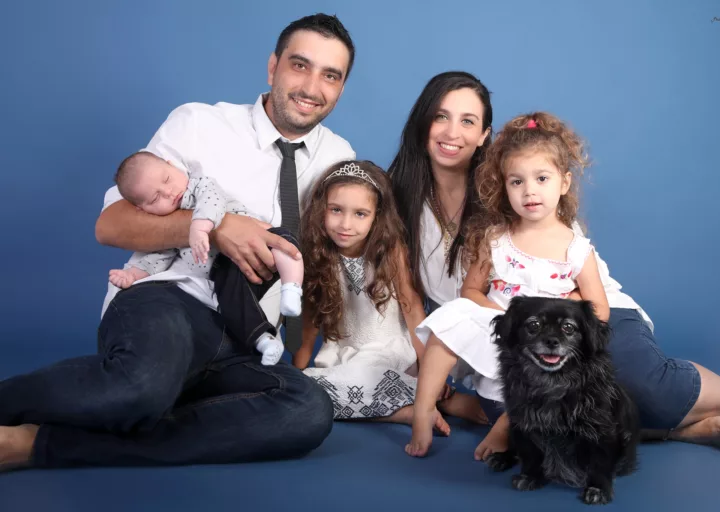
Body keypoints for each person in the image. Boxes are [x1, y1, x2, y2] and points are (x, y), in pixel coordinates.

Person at [0, 12, 356, 470]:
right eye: (300, 65)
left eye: (330, 75)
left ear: (341, 87)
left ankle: (36, 444)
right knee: (141, 387)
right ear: (273, 66)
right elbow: (110, 224)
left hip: (247, 335)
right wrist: (217, 226)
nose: (311, 86)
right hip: (168, 301)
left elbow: (341, 256)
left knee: (306, 411)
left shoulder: (339, 157)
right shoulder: (200, 123)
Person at [405, 111, 720, 458]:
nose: (529, 191)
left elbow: (599, 308)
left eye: (541, 179)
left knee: (568, 395)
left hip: (554, 338)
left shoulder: (574, 247)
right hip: (512, 331)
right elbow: (470, 291)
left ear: (563, 183)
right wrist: (500, 315)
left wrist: (566, 320)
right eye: (517, 182)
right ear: (505, 186)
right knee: (458, 321)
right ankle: (425, 412)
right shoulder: (495, 240)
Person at [292, 160, 451, 432]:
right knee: (305, 390)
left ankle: (416, 401)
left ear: (377, 216)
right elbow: (309, 323)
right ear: (321, 209)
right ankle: (409, 406)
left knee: (367, 376)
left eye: (360, 214)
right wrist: (296, 374)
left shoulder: (389, 251)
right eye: (336, 210)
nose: (345, 224)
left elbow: (412, 307)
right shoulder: (319, 254)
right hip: (342, 357)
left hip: (388, 354)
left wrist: (430, 370)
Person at [106, 150, 305, 365]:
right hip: (226, 267)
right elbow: (157, 258)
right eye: (156, 198)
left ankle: (292, 289)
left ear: (171, 164)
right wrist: (132, 274)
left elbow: (213, 200)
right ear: (143, 209)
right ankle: (263, 340)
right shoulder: (169, 227)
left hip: (258, 242)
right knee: (231, 303)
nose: (169, 192)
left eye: (167, 179)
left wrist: (199, 227)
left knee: (284, 241)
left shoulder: (199, 186)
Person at [389, 70, 495, 425]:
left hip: (520, 330)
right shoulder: (398, 196)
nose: (452, 133)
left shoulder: (507, 191)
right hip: (455, 343)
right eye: (441, 116)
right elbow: (408, 298)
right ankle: (447, 400)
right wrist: (430, 377)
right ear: (423, 123)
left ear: (484, 135)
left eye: (467, 121)